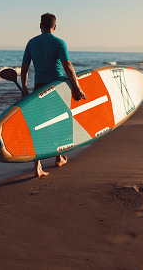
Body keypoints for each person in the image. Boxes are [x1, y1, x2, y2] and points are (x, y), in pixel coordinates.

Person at [21, 13, 86, 177]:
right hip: (56, 87)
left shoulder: (31, 42)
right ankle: (59, 158)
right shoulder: (59, 42)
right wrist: (77, 87)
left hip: (39, 87)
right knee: (60, 121)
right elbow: (68, 65)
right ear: (55, 27)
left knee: (39, 125)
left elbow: (24, 68)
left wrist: (24, 87)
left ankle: (38, 167)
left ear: (40, 25)